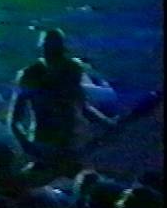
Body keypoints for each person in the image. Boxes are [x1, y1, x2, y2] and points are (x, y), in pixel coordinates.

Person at [9, 29, 116, 174]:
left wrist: (108, 123)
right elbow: (14, 120)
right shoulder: (30, 75)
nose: (51, 52)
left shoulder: (72, 70)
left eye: (55, 47)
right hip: (45, 144)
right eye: (48, 47)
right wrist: (27, 146)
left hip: (71, 144)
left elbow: (83, 107)